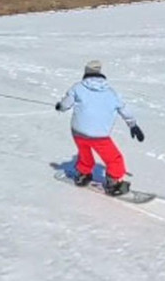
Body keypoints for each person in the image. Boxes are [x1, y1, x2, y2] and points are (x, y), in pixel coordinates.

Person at [55, 60, 145, 196]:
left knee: (84, 152)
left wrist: (60, 106)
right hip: (99, 136)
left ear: (86, 72)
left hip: (78, 132)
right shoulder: (111, 93)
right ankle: (114, 183)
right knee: (114, 159)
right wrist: (133, 125)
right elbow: (124, 110)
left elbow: (65, 104)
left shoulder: (77, 87)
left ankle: (83, 175)